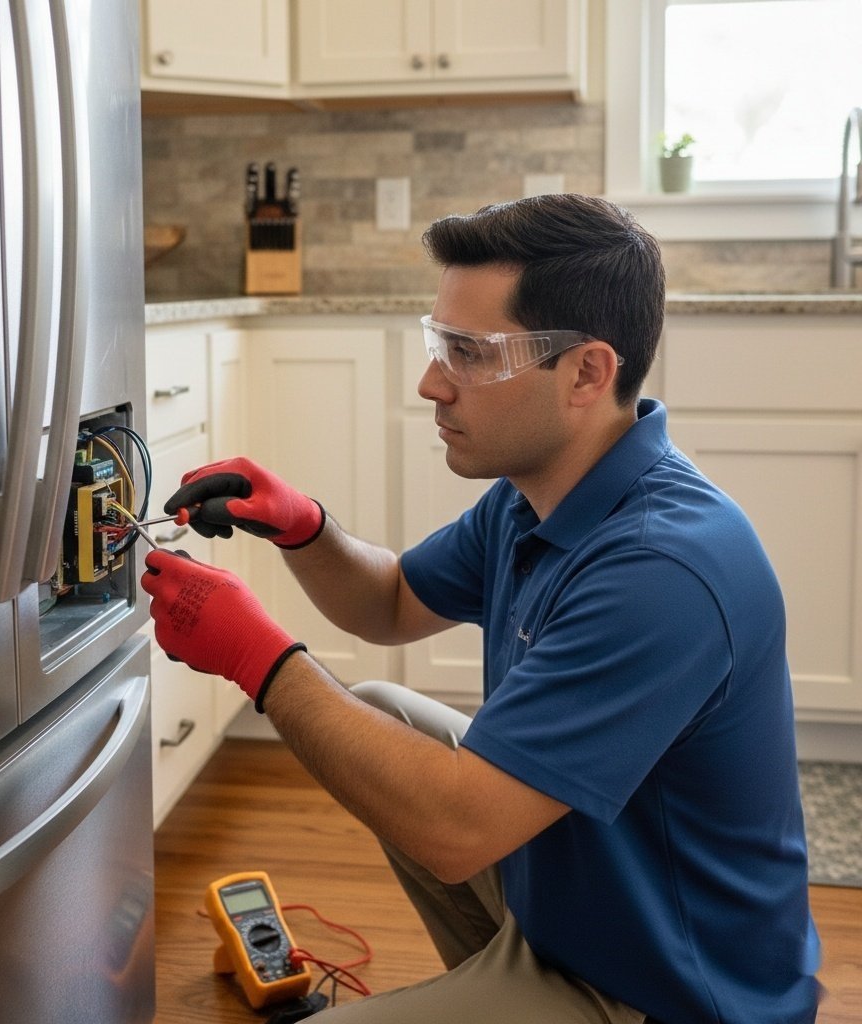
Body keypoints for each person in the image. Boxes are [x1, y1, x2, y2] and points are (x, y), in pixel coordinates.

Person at [141, 193, 821, 1023]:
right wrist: (306, 529)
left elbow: (456, 831)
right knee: (383, 709)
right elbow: (391, 601)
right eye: (440, 344)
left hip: (665, 994)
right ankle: (502, 981)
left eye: (467, 352)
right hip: (588, 915)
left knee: (438, 798)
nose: (432, 383)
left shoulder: (660, 570)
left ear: (586, 373)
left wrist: (258, 657)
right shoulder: (538, 496)